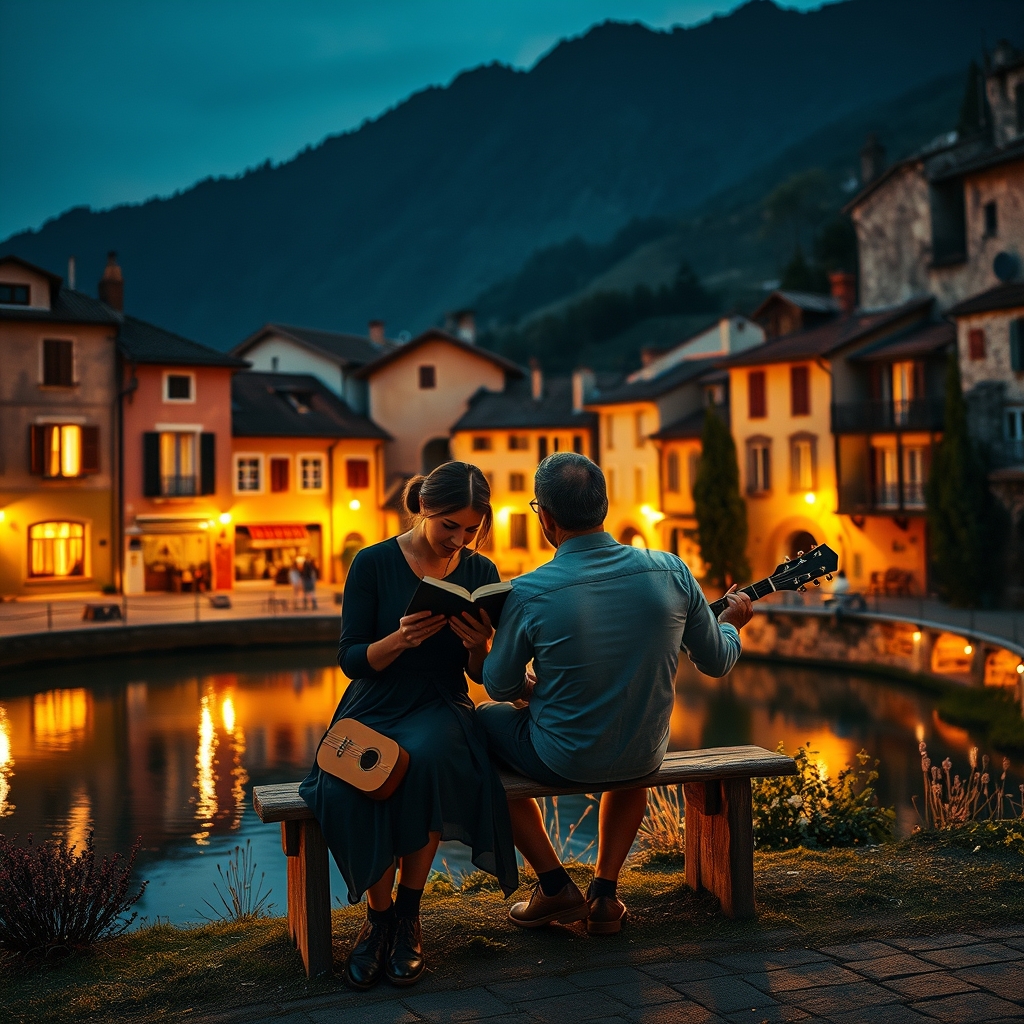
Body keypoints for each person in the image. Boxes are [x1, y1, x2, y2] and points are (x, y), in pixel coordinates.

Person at [479, 452, 753, 935]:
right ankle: (604, 896)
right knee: (628, 737)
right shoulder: (671, 570)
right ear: (604, 505)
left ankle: (552, 884)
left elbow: (499, 685)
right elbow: (716, 661)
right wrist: (729, 627)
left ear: (544, 516)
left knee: (476, 725)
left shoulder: (530, 591)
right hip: (644, 752)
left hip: (561, 757)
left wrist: (507, 669)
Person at [299, 462, 517, 991]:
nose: (459, 539)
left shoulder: (480, 572)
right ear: (423, 509)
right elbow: (351, 658)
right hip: (374, 701)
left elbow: (478, 677)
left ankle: (409, 915)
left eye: (472, 529)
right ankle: (378, 919)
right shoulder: (372, 563)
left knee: (428, 761)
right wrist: (399, 639)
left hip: (441, 702)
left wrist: (477, 647)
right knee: (354, 780)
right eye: (450, 526)